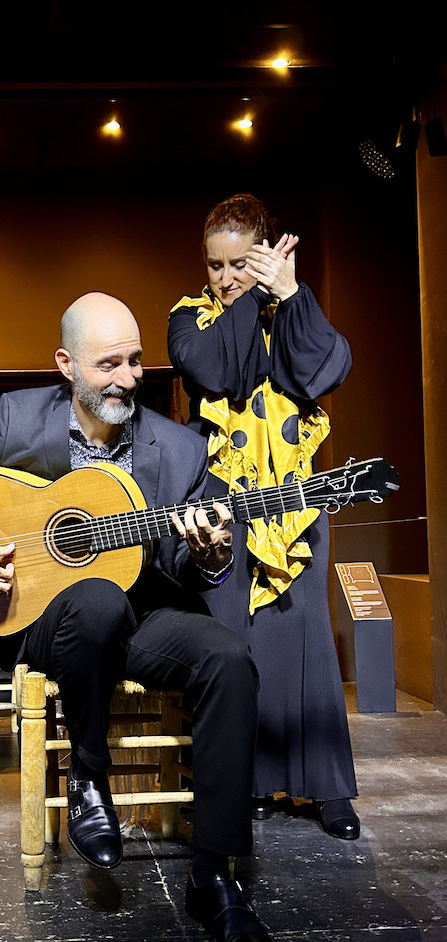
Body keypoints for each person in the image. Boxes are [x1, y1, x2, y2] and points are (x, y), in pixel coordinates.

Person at [0, 291, 278, 942]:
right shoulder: (19, 419)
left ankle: (215, 878)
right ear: (66, 365)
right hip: (42, 619)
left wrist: (211, 552)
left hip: (144, 615)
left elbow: (186, 562)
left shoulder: (181, 449)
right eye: (108, 364)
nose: (128, 378)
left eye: (136, 361)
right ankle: (89, 778)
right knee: (94, 601)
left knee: (229, 658)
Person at [167, 192, 358, 840]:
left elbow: (323, 370)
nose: (225, 278)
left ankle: (328, 790)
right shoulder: (190, 317)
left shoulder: (288, 312)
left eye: (240, 265)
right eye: (216, 265)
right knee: (234, 639)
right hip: (220, 498)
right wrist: (253, 293)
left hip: (294, 502)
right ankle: (244, 779)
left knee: (305, 633)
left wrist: (293, 294)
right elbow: (214, 367)